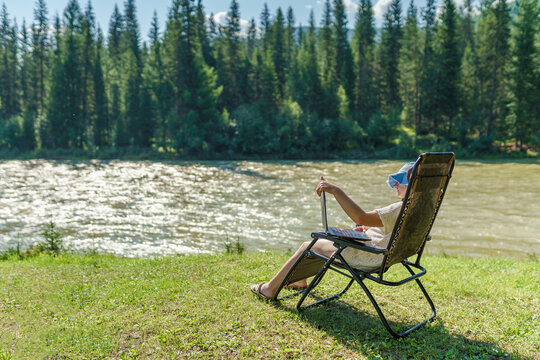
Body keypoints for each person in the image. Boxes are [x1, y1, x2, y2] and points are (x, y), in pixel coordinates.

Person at [251, 161, 416, 300]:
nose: (395, 185)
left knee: (309, 245)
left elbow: (360, 217)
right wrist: (369, 229)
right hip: (384, 254)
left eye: (399, 180)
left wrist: (335, 190)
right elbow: (389, 229)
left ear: (412, 183)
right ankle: (300, 280)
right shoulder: (418, 209)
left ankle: (268, 290)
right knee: (326, 241)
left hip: (369, 257)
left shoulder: (400, 208)